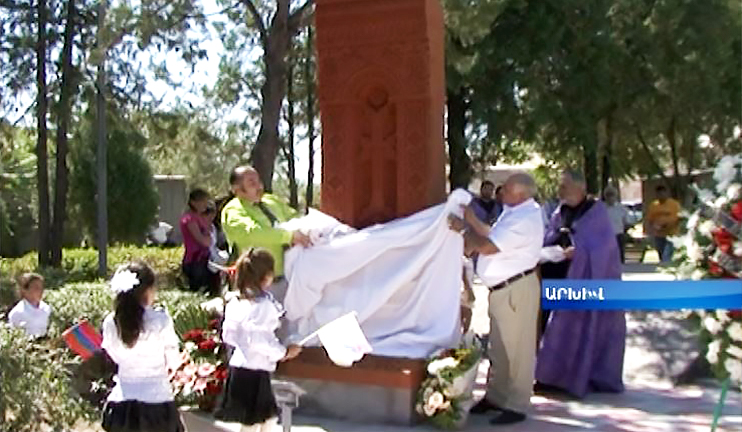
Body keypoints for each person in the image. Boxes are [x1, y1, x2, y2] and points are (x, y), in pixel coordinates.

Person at [448, 172, 544, 426]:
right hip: (503, 290)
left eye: (508, 190)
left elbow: (489, 247)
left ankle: (517, 403)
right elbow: (492, 234)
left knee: (517, 349)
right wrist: (471, 217)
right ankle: (497, 396)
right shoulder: (515, 211)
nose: (502, 193)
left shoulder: (526, 218)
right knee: (499, 348)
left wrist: (463, 230)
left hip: (516, 289)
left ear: (522, 194)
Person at [535, 169, 625, 399]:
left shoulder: (596, 211)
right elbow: (551, 234)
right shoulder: (560, 210)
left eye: (564, 185)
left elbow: (605, 248)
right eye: (560, 185)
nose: (560, 190)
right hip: (555, 273)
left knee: (577, 327)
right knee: (549, 326)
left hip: (583, 278)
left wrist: (581, 252)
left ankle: (575, 377)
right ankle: (550, 377)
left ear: (580, 187)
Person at [215, 248, 302, 432]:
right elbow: (261, 340)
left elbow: (228, 335)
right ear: (267, 276)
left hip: (239, 366)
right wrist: (283, 352)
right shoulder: (264, 306)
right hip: (257, 370)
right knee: (261, 421)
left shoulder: (235, 302)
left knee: (254, 421)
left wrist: (244, 345)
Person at [100, 262, 185, 432]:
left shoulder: (111, 322)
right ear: (148, 290)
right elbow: (173, 360)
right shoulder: (160, 319)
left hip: (122, 402)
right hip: (157, 401)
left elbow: (112, 355)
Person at [220, 166, 312, 302]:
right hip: (256, 285)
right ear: (237, 190)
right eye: (252, 183)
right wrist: (289, 237)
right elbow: (254, 233)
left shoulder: (272, 201)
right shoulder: (233, 211)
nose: (259, 186)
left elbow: (295, 218)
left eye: (259, 181)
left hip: (286, 278)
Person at [180, 188, 220, 295]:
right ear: (193, 202)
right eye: (203, 202)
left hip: (206, 259)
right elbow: (203, 240)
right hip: (195, 260)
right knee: (200, 292)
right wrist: (207, 234)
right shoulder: (189, 219)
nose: (205, 205)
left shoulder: (200, 217)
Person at [8, 272, 51, 338]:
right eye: (36, 288)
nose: (41, 291)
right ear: (25, 290)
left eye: (41, 287)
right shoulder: (17, 313)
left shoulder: (46, 308)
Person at [646, 184, 680, 263]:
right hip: (658, 233)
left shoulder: (674, 204)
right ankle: (663, 265)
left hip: (671, 233)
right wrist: (652, 229)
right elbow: (650, 219)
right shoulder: (653, 205)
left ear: (666, 193)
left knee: (667, 254)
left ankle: (668, 265)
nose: (661, 195)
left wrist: (670, 225)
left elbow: (679, 217)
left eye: (662, 193)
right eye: (659, 194)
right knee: (660, 251)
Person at [603, 186, 630, 263]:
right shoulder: (600, 209)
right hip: (605, 236)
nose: (610, 197)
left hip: (618, 235)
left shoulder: (622, 208)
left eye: (612, 194)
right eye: (608, 195)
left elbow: (627, 222)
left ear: (616, 195)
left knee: (619, 257)